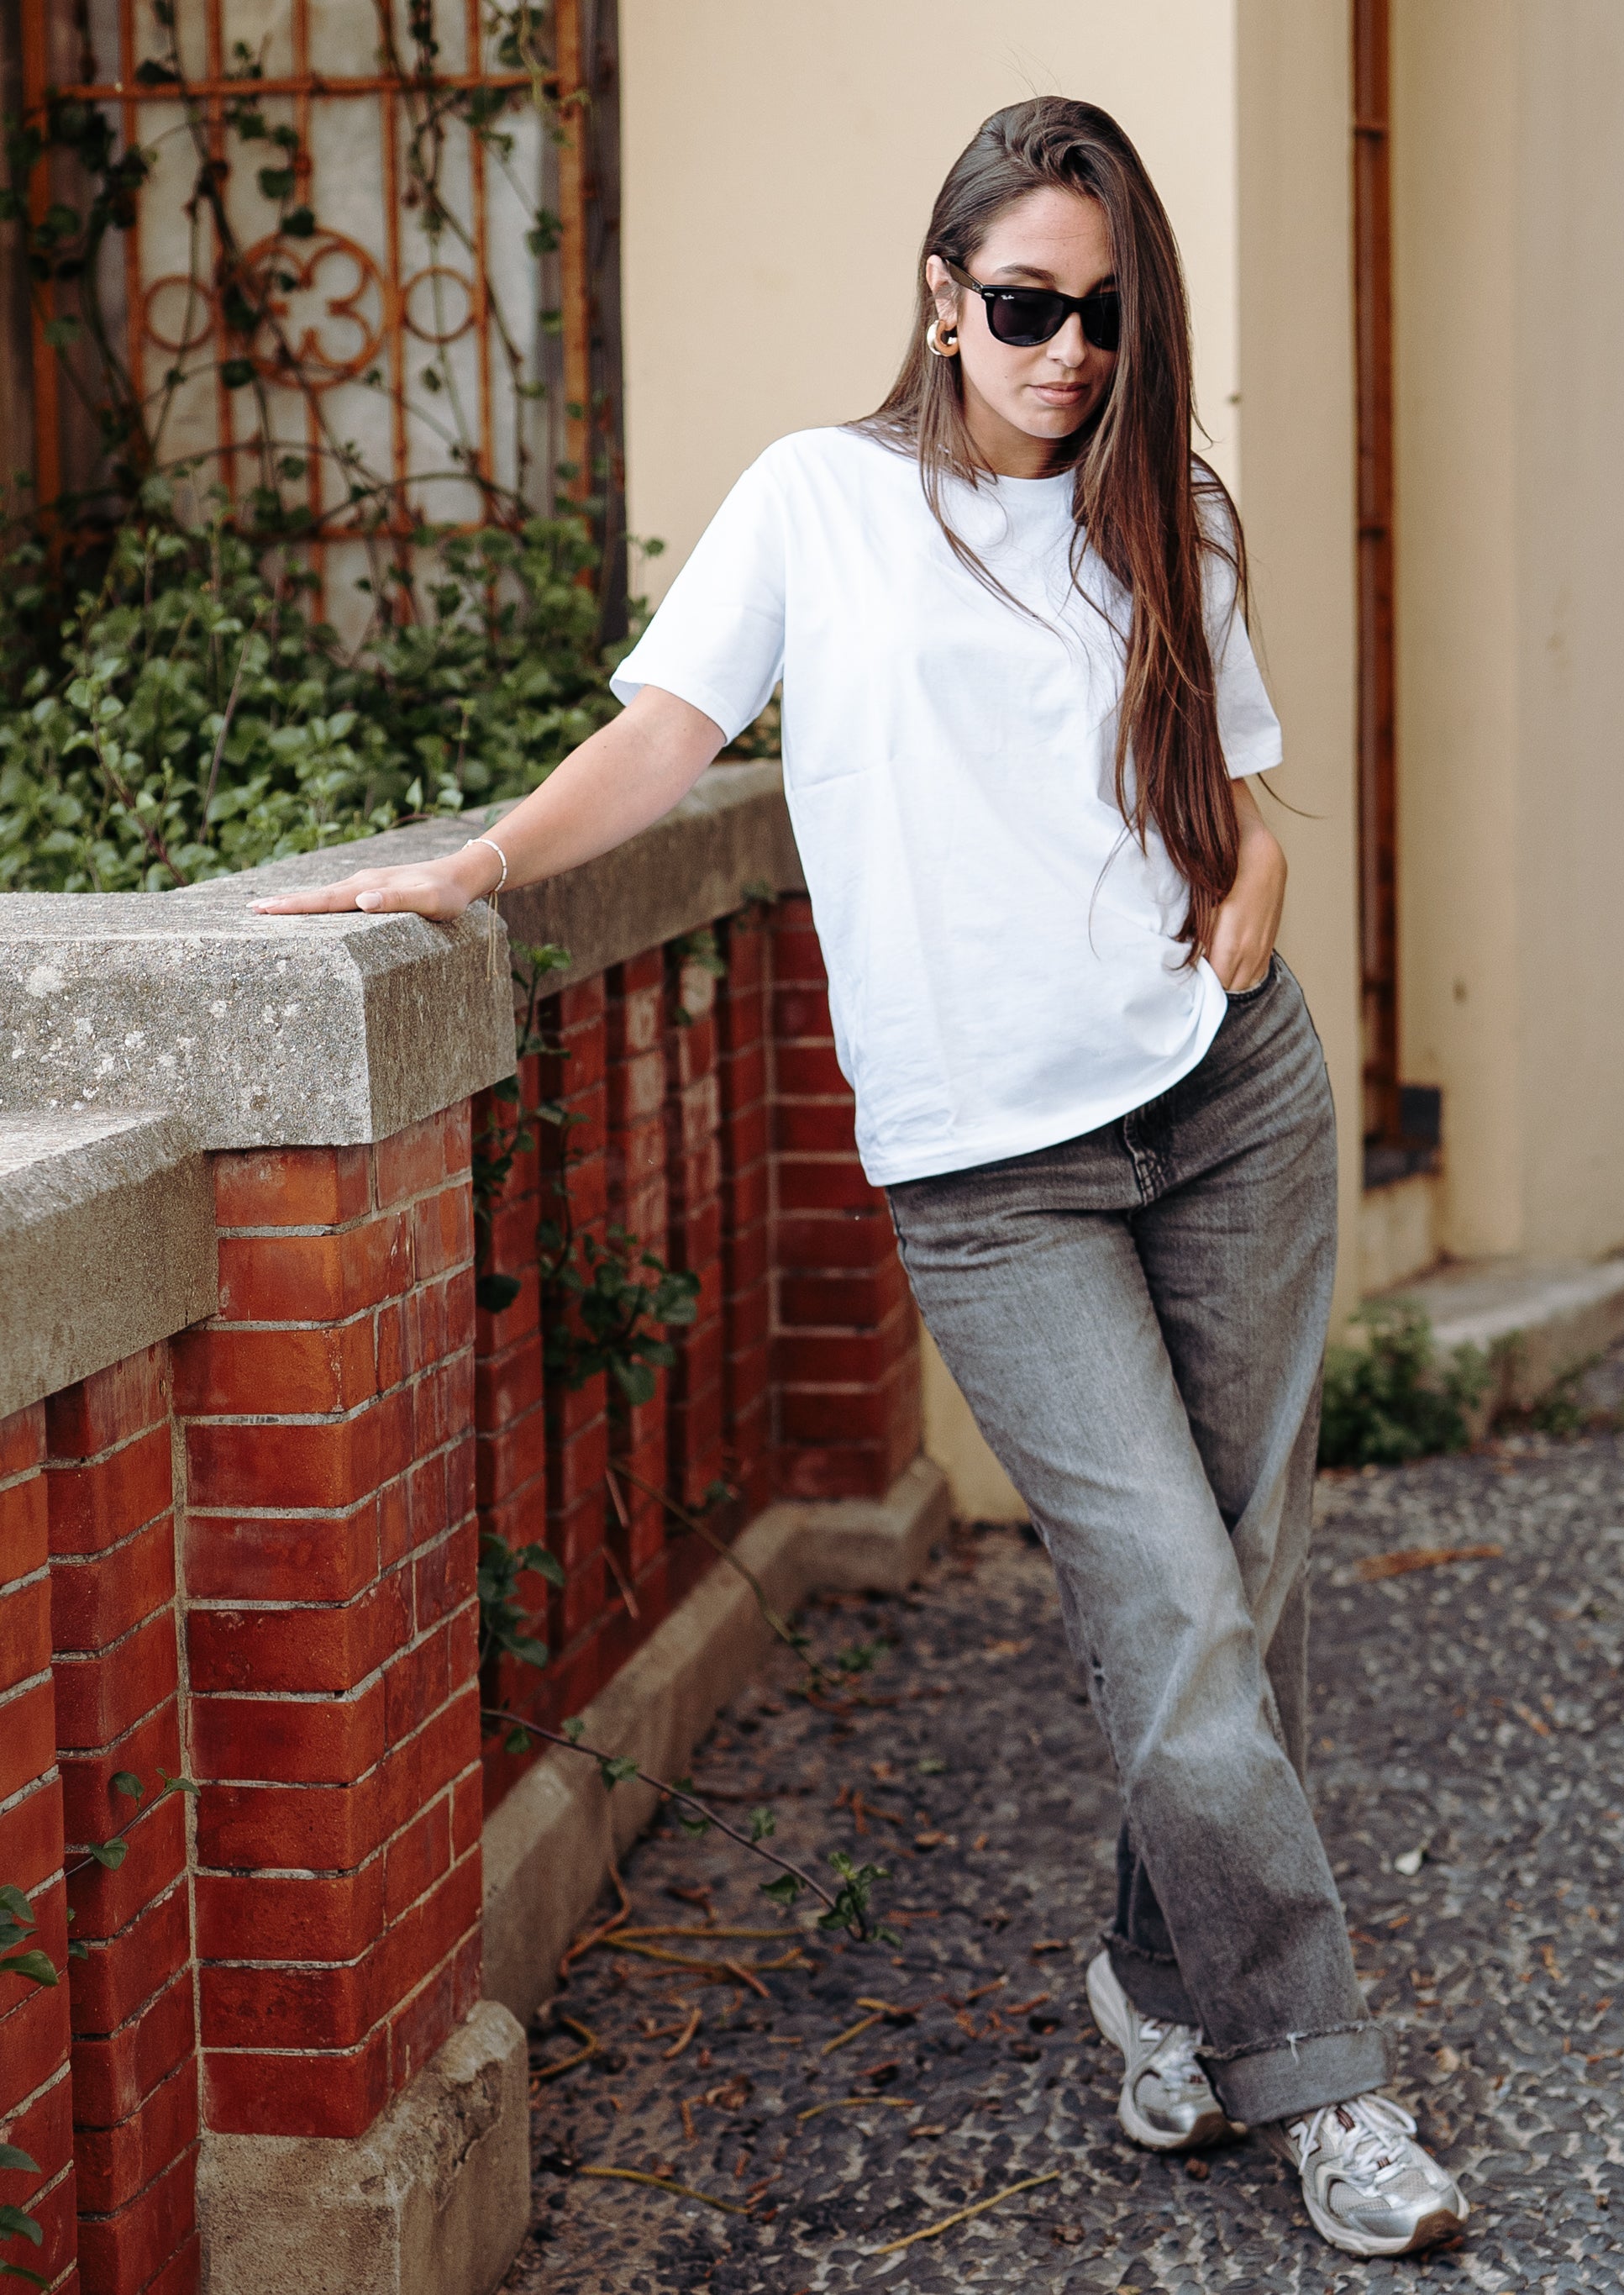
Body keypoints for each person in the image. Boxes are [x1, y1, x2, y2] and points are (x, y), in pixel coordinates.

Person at [254, 96, 1469, 2261]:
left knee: (1240, 1591)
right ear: (940, 293)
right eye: (1027, 307)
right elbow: (669, 730)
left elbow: (1229, 798)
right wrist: (479, 869)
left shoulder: (1164, 508)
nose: (1068, 354)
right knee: (1168, 1602)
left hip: (1228, 1096)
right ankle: (1326, 2084)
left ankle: (1166, 1984)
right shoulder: (818, 501)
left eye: (1107, 316)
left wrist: (1259, 885)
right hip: (993, 1176)